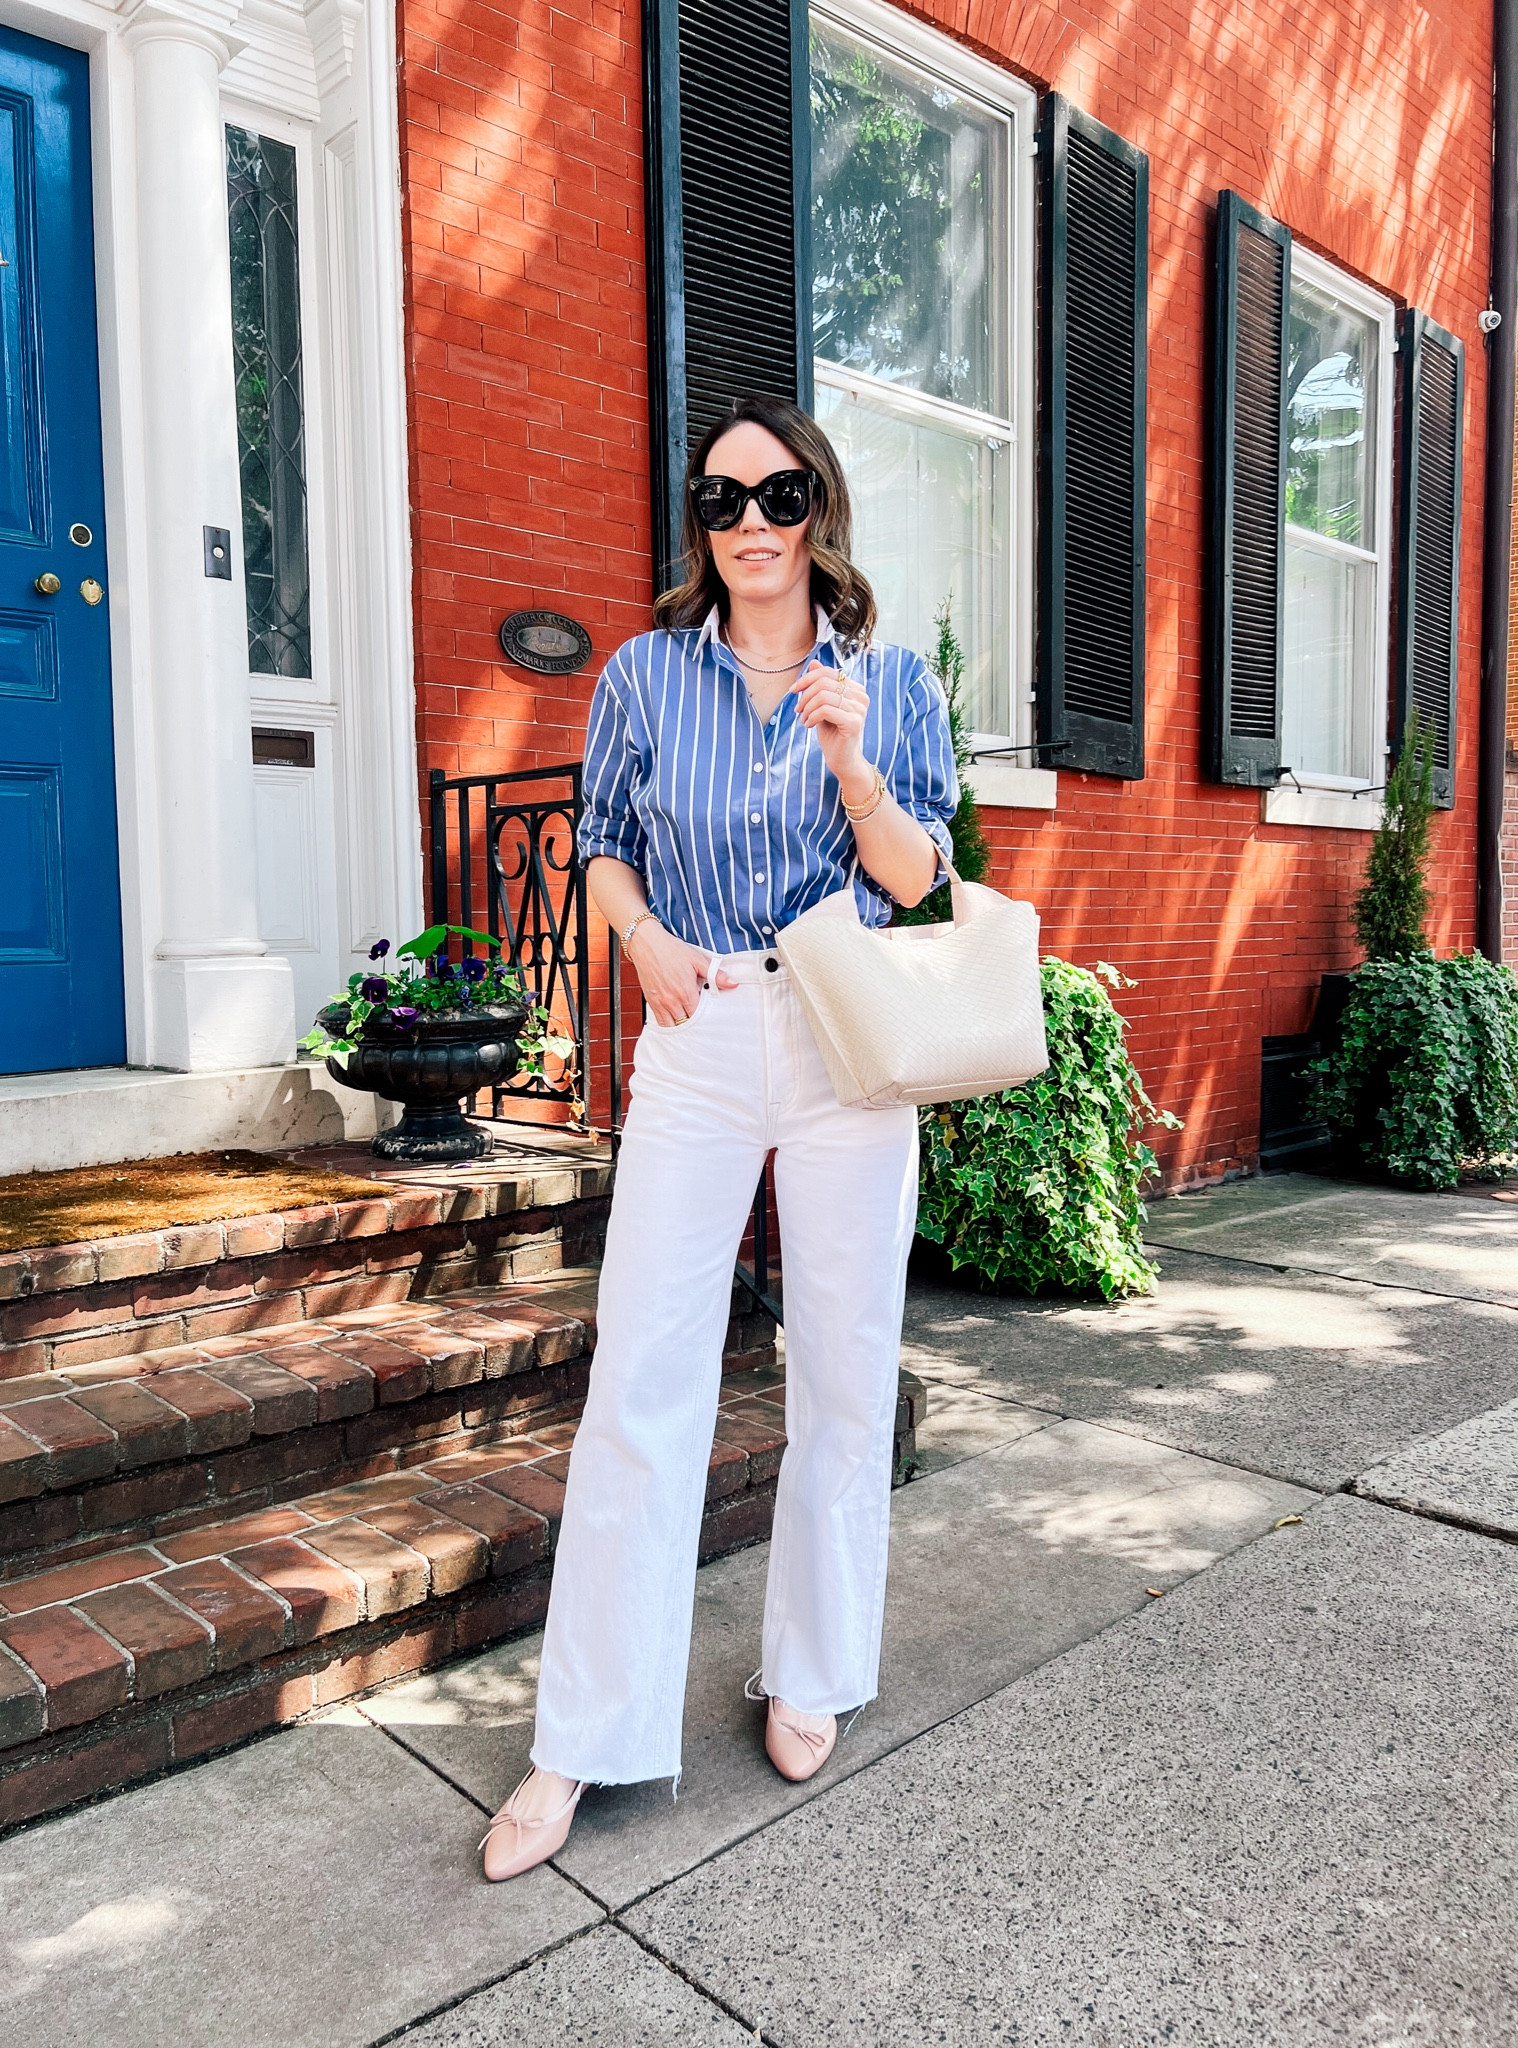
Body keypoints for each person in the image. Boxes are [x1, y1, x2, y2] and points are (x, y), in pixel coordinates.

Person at [480, 393, 958, 1881]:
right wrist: (635, 943)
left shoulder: (889, 679)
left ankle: (811, 1669)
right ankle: (585, 1733)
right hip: (695, 1032)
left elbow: (923, 882)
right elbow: (604, 834)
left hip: (841, 1036)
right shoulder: (638, 672)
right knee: (643, 1371)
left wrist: (854, 766)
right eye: (719, 500)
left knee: (836, 1358)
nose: (748, 524)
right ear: (698, 523)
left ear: (819, 505)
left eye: (776, 494)